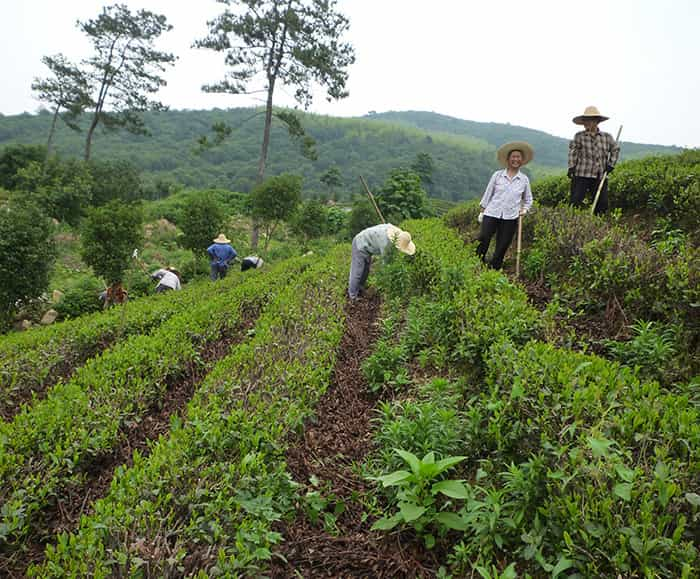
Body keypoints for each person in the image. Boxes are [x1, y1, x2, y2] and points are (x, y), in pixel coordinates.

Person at [477, 141, 534, 270]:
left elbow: (528, 199)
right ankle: (477, 263)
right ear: (508, 159)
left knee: (502, 245)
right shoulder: (497, 175)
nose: (516, 159)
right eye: (513, 156)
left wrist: (525, 209)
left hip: (510, 216)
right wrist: (482, 210)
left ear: (522, 160)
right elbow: (488, 193)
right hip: (492, 212)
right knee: (484, 238)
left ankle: (494, 269)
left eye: (518, 157)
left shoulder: (524, 179)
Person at [568, 106, 620, 215]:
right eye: (585, 120)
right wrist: (571, 167)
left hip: (600, 175)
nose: (586, 123)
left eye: (589, 120)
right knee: (575, 201)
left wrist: (611, 165)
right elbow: (573, 152)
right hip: (582, 174)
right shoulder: (579, 136)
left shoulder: (607, 137)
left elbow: (615, 150)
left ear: (596, 121)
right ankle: (571, 224)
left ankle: (598, 225)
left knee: (602, 203)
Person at [349, 223, 416, 300]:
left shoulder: (398, 234)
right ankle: (353, 296)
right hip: (360, 243)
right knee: (358, 271)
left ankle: (360, 288)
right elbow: (385, 265)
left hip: (368, 245)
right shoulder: (386, 243)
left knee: (366, 270)